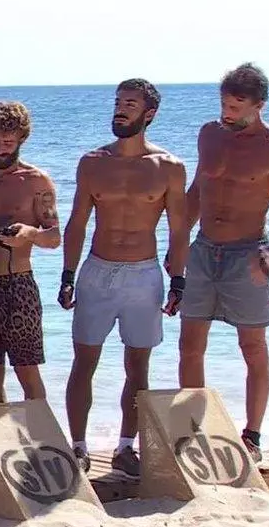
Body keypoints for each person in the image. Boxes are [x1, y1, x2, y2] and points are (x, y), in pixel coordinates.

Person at [59, 79, 189, 477]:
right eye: (118, 102)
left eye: (130, 104)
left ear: (149, 114)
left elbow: (179, 229)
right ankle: (78, 446)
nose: (120, 109)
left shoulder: (169, 167)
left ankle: (125, 446)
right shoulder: (93, 162)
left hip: (143, 275)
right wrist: (67, 275)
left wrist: (178, 279)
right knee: (84, 361)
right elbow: (77, 222)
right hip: (97, 271)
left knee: (138, 366)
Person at [178, 63, 269, 463]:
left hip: (247, 253)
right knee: (190, 344)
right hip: (203, 250)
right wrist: (177, 245)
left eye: (235, 107)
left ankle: (252, 436)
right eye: (223, 104)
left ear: (258, 105)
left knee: (252, 345)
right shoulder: (209, 134)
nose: (226, 113)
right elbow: (196, 192)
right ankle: (193, 431)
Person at [0, 101, 60, 403]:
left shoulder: (37, 181)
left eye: (8, 143)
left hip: (18, 284)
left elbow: (54, 237)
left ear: (21, 140)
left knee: (27, 371)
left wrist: (29, 233)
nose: (0, 149)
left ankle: (40, 431)